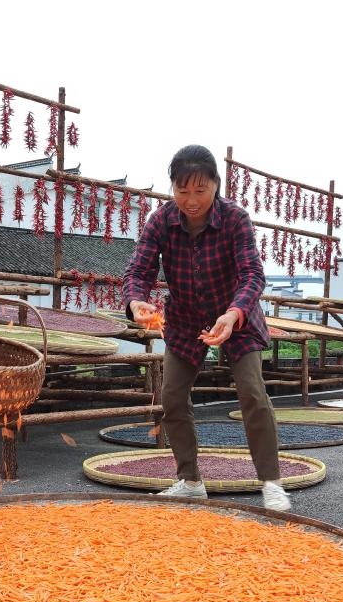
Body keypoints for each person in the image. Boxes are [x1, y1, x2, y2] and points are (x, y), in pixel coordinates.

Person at [123, 145, 290, 511]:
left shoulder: (234, 218)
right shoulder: (161, 220)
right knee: (172, 397)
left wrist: (233, 314)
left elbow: (252, 274)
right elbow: (138, 271)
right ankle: (189, 480)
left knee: (252, 392)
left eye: (200, 191)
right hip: (185, 319)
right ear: (173, 189)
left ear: (216, 185)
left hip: (236, 315)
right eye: (182, 192)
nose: (191, 200)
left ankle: (271, 482)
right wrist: (136, 301)